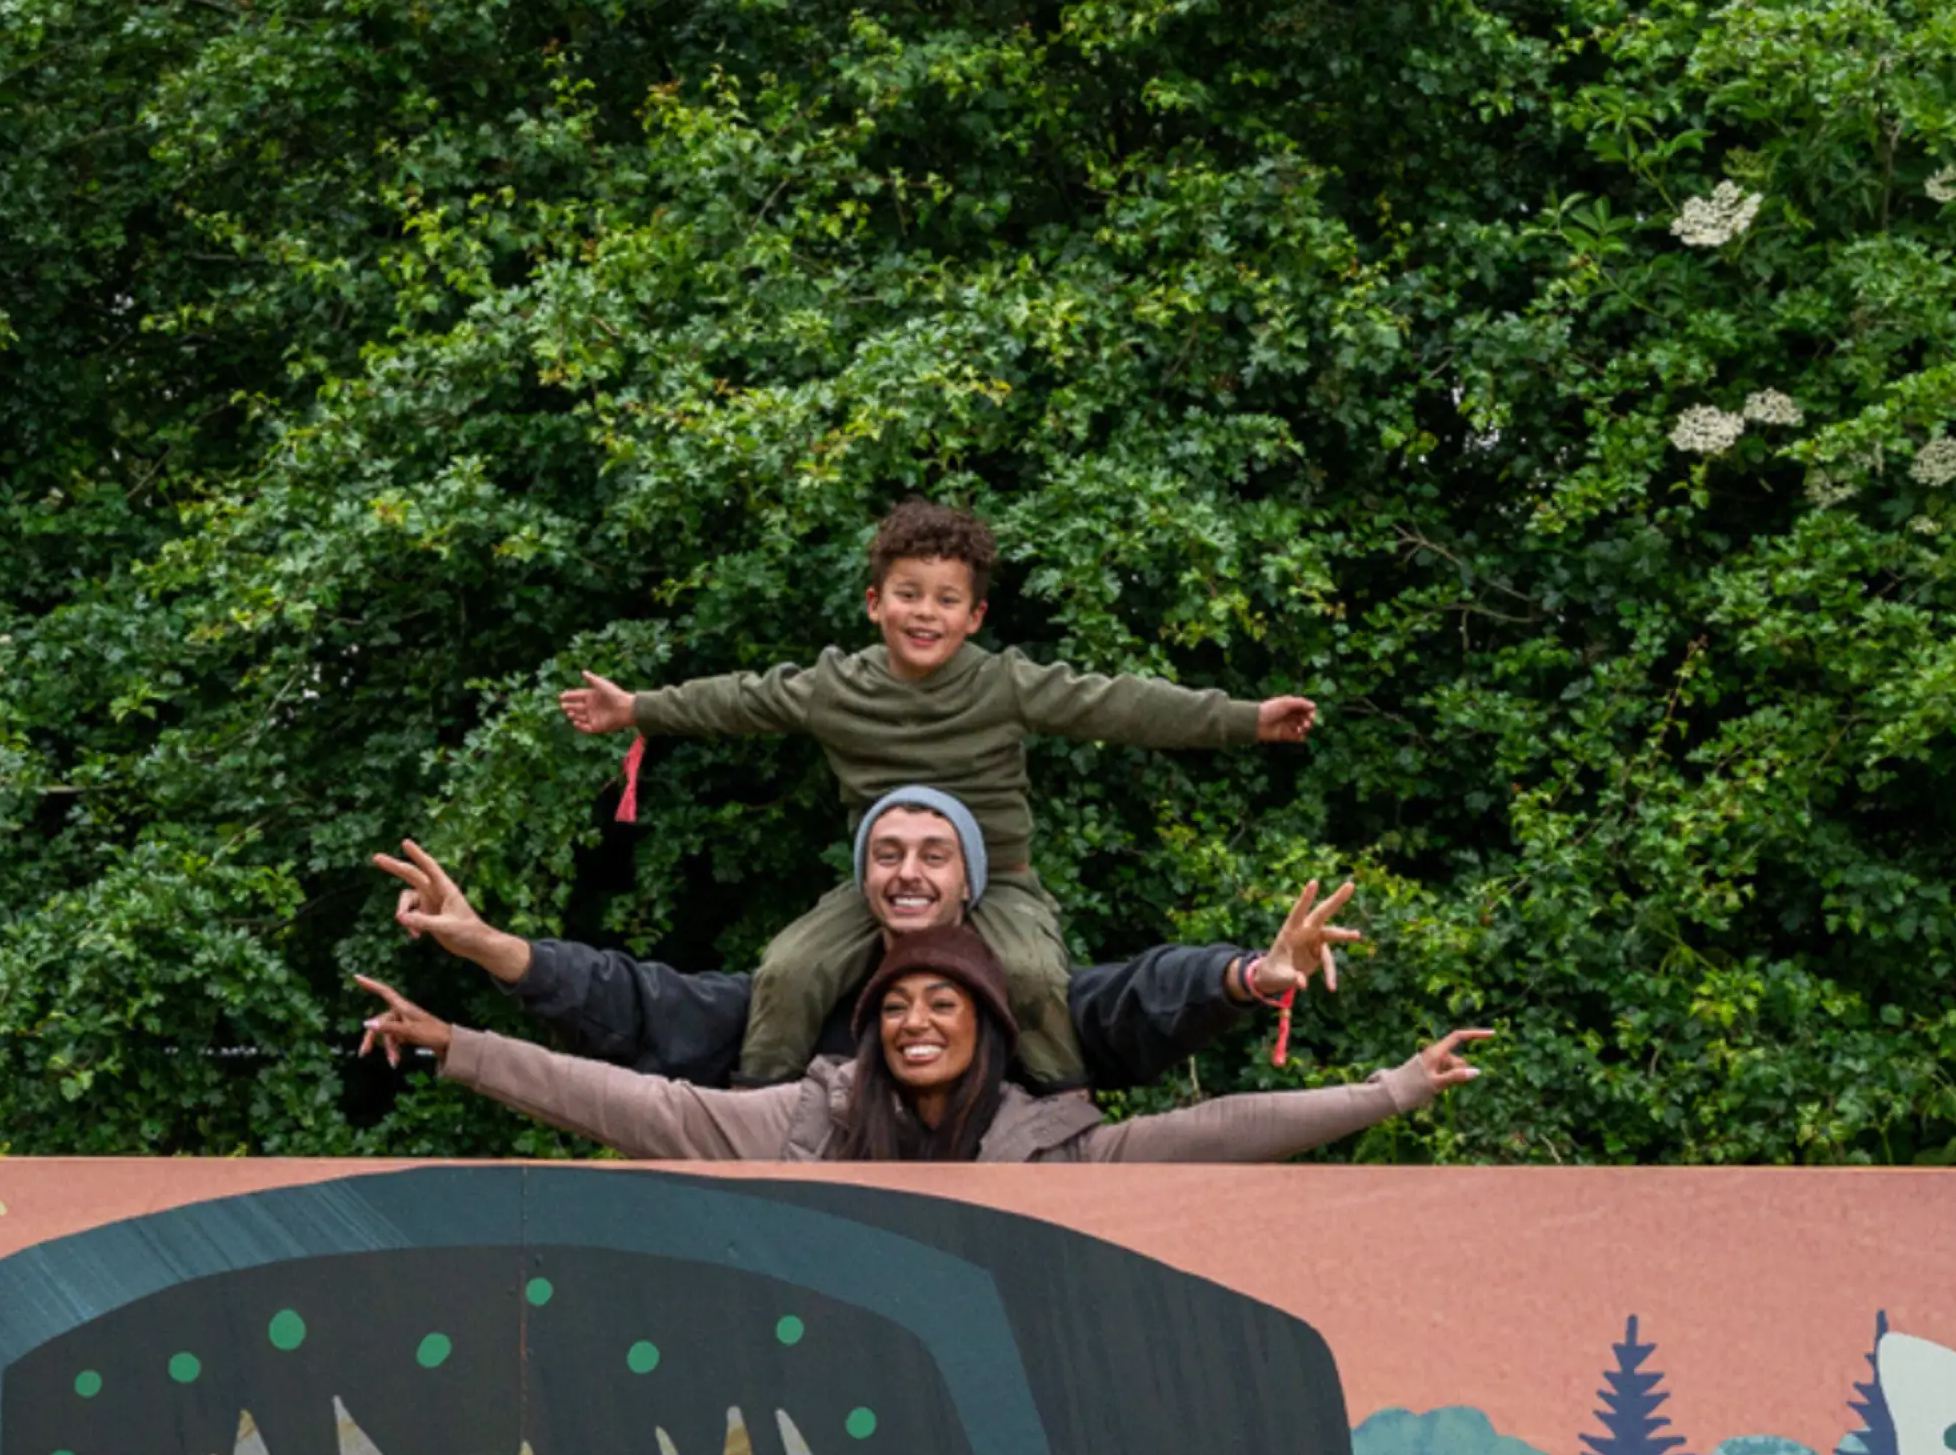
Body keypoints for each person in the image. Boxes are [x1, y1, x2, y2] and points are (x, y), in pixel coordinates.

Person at [558, 497, 1317, 1084]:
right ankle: (764, 1127)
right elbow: (738, 700)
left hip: (1000, 888)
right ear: (874, 603)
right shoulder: (835, 687)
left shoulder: (1002, 683)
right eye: (909, 595)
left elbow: (1119, 704)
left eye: (946, 600)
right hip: (884, 887)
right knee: (787, 973)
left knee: (1029, 978)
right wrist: (638, 709)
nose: (926, 613)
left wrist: (1247, 721)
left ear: (974, 615)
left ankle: (1061, 1110)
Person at [369, 789, 1365, 1090]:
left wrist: (1253, 974)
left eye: (934, 853)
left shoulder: (1027, 999)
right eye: (887, 853)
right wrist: (495, 948)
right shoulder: (808, 1012)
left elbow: (1140, 996)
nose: (908, 871)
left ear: (972, 883)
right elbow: (643, 1007)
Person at [358, 921, 1487, 1164]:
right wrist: (459, 1042)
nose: (916, 1022)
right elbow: (624, 1102)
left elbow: (1215, 1130)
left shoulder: (1048, 1143)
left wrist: (1386, 1091)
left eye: (945, 1006)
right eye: (897, 1007)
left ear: (990, 1029)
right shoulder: (809, 1116)